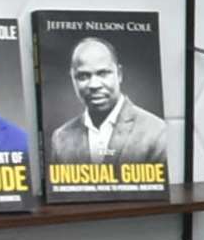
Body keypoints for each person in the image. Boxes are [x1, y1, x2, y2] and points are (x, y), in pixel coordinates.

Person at [49, 36, 172, 169]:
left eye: (103, 73)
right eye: (83, 76)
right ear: (73, 79)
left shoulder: (156, 132)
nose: (94, 85)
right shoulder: (60, 138)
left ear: (119, 74)